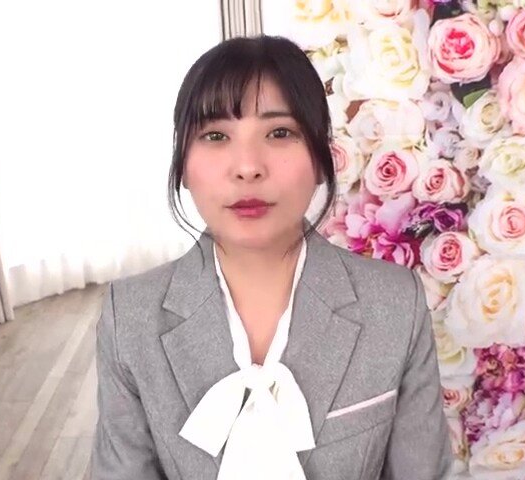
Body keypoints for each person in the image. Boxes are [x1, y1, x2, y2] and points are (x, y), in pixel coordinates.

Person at [92, 34, 451, 480]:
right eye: (216, 135)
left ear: (320, 158)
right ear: (182, 164)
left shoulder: (396, 304)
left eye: (280, 133)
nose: (248, 167)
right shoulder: (129, 317)